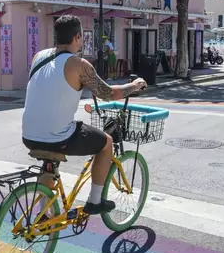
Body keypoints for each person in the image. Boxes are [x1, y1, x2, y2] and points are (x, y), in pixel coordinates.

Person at [22, 15, 147, 215]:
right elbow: (108, 93)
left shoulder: (39, 57)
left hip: (29, 136)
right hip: (59, 137)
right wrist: (134, 86)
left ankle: (43, 215)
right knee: (106, 143)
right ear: (78, 36)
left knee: (49, 162)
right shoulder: (79, 65)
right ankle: (95, 201)